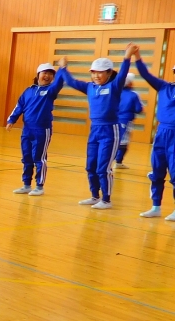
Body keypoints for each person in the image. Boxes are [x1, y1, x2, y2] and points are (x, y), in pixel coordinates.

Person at [59, 46, 134, 209]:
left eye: (100, 72)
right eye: (93, 72)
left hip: (110, 131)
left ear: (109, 73)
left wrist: (127, 57)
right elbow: (71, 82)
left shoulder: (114, 86)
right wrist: (63, 68)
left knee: (103, 168)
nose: (96, 76)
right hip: (95, 131)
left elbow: (122, 74)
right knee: (90, 166)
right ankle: (95, 196)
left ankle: (106, 200)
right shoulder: (89, 87)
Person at [6, 62, 66, 196]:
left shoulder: (51, 90)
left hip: (42, 130)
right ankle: (26, 184)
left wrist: (62, 68)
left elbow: (59, 82)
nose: (47, 76)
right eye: (45, 73)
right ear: (38, 74)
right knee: (26, 157)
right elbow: (19, 106)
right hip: (27, 130)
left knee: (39, 158)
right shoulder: (28, 91)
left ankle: (39, 186)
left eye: (50, 74)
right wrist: (11, 120)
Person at [133, 47, 175, 219]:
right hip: (161, 133)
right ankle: (156, 206)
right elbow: (146, 74)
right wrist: (137, 56)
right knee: (157, 170)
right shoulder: (164, 87)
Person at [114, 74, 144, 169]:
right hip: (126, 120)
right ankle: (118, 162)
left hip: (114, 119)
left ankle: (108, 160)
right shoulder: (133, 94)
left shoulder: (116, 92)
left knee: (114, 139)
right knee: (123, 142)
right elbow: (139, 109)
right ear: (130, 83)